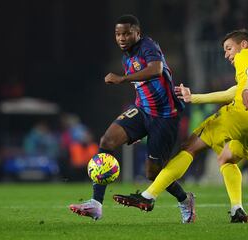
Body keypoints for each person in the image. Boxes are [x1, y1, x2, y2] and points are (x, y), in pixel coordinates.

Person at [113, 29, 248, 223]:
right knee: (227, 159)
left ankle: (148, 196)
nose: (227, 54)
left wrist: (247, 91)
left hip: (243, 114)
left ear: (243, 44)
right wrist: (194, 98)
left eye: (229, 49)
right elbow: (232, 92)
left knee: (189, 147)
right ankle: (237, 209)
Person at [69, 14, 195, 223]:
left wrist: (122, 78)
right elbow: (143, 88)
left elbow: (156, 70)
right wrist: (136, 127)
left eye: (127, 33)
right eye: (118, 34)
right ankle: (96, 204)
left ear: (137, 33)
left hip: (165, 117)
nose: (122, 38)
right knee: (106, 141)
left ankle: (185, 199)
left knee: (153, 174)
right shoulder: (126, 55)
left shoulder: (147, 46)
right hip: (142, 111)